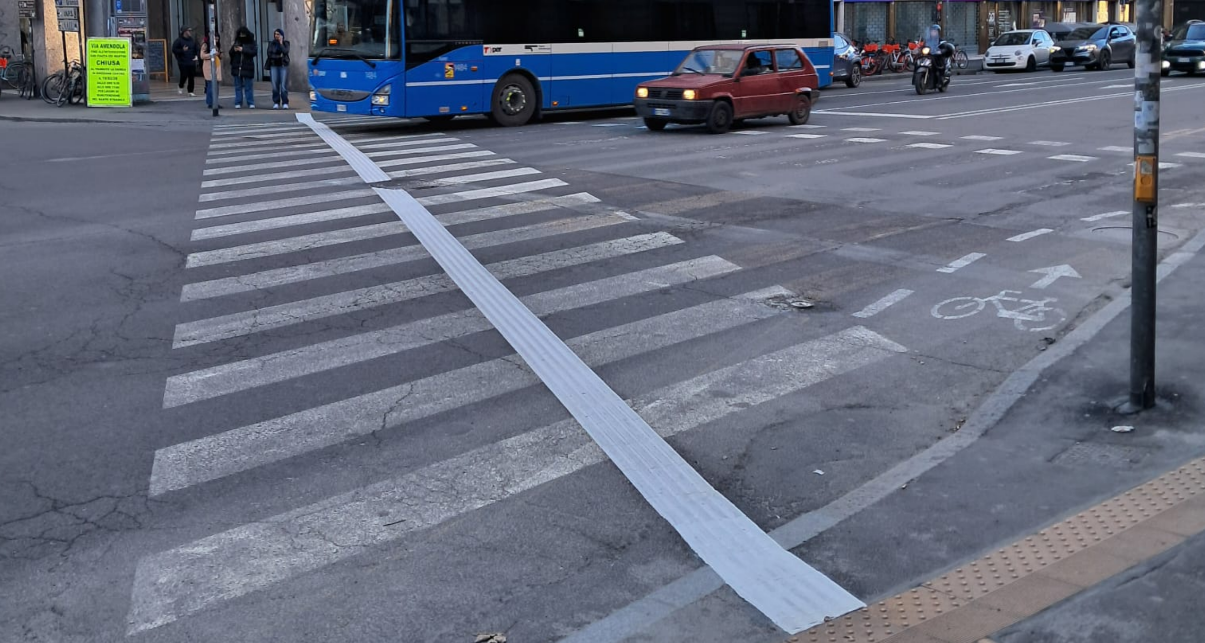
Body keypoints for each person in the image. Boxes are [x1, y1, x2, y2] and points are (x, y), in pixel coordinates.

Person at [229, 26, 257, 109]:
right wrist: (234, 50)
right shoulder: (237, 41)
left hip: (247, 66)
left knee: (248, 86)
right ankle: (238, 102)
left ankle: (250, 102)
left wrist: (243, 49)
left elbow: (254, 52)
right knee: (238, 86)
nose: (242, 36)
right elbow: (230, 52)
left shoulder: (251, 42)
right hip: (237, 67)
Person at [266, 28, 290, 110]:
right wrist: (278, 57)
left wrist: (280, 43)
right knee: (275, 85)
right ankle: (276, 102)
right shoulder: (271, 44)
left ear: (282, 35)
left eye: (278, 34)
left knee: (283, 85)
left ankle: (285, 102)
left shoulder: (286, 43)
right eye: (275, 34)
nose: (277, 36)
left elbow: (285, 52)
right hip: (274, 65)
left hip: (283, 66)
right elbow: (269, 54)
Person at [171, 27, 198, 96]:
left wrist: (196, 55)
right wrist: (182, 50)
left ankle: (190, 91)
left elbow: (196, 48)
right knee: (184, 75)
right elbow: (174, 50)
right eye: (189, 31)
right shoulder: (179, 41)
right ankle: (180, 85)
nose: (190, 32)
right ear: (184, 32)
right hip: (183, 61)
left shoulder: (192, 40)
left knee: (191, 76)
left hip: (191, 60)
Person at [201, 33, 222, 109]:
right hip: (208, 66)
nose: (216, 40)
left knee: (216, 85)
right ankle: (210, 102)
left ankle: (215, 101)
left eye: (217, 39)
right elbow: (202, 56)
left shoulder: (217, 45)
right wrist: (211, 54)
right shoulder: (205, 45)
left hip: (216, 65)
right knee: (210, 85)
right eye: (215, 39)